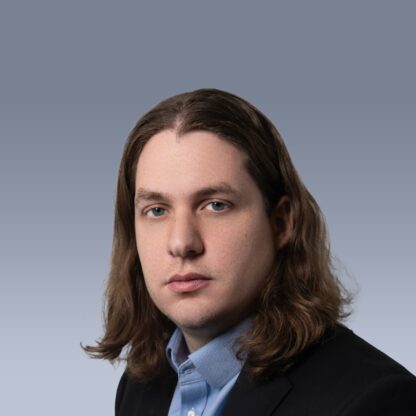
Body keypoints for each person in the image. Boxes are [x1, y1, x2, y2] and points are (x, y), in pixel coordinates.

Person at [82, 88, 416, 415]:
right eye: (156, 210)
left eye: (215, 205)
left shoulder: (376, 401)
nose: (182, 243)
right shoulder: (142, 386)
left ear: (281, 223)